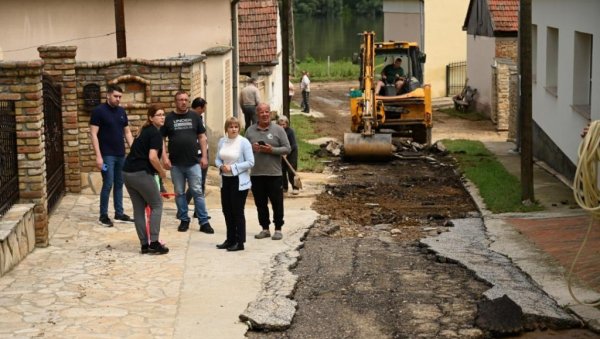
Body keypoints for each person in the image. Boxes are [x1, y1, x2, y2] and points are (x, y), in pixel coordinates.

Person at [161, 91, 213, 234]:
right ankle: (184, 220)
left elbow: (202, 137)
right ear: (175, 101)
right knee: (179, 193)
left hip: (193, 162)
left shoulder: (195, 116)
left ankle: (204, 222)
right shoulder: (169, 118)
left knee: (197, 191)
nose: (183, 102)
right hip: (176, 164)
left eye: (185, 100)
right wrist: (164, 157)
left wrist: (204, 157)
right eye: (180, 100)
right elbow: (162, 139)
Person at [122, 106, 169, 254]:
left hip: (127, 172)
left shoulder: (144, 131)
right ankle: (154, 243)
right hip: (140, 173)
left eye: (163, 115)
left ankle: (144, 245)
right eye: (158, 115)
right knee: (157, 205)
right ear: (151, 118)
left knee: (138, 209)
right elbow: (152, 157)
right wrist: (162, 172)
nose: (162, 117)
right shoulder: (155, 133)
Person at [90, 84, 135, 227]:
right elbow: (93, 134)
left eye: (120, 97)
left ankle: (119, 213)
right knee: (108, 183)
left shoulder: (121, 111)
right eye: (115, 96)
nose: (118, 99)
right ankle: (103, 216)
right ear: (108, 95)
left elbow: (127, 132)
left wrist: (134, 151)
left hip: (120, 154)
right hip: (106, 156)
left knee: (119, 184)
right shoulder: (98, 111)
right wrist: (98, 156)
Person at [245, 103, 291, 241]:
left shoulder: (278, 130)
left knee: (277, 203)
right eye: (261, 112)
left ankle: (278, 229)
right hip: (256, 174)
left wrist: (272, 150)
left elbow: (287, 148)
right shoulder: (250, 131)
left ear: (270, 113)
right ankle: (265, 228)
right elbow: (243, 150)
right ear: (257, 114)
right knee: (260, 203)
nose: (265, 114)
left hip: (274, 174)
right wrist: (252, 148)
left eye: (267, 112)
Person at [215, 117, 254, 252]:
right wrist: (221, 167)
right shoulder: (222, 141)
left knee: (237, 211)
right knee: (227, 211)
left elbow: (250, 162)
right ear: (226, 128)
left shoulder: (244, 142)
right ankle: (230, 239)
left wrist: (233, 168)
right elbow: (217, 158)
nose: (233, 129)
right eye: (231, 127)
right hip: (225, 180)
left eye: (236, 127)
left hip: (239, 181)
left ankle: (240, 241)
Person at [186, 97, 208, 203]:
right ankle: (184, 206)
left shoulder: (199, 118)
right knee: (197, 182)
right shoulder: (191, 119)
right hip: (196, 154)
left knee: (200, 182)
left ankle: (198, 210)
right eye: (204, 108)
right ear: (199, 108)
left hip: (201, 153)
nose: (204, 110)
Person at [277, 116, 299, 195]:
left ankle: (295, 187)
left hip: (292, 152)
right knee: (282, 171)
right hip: (282, 153)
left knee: (291, 171)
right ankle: (284, 188)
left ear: (287, 124)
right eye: (280, 124)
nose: (282, 126)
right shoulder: (277, 132)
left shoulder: (290, 131)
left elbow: (293, 145)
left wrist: (287, 153)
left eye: (284, 124)